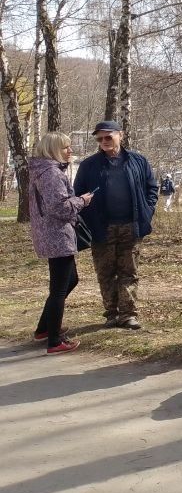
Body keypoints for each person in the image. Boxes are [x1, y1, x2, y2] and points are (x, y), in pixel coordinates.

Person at [73, 120, 158, 330]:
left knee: (129, 272)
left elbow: (152, 188)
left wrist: (148, 211)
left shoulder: (137, 161)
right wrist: (89, 219)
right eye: (100, 139)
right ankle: (111, 314)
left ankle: (128, 315)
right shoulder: (89, 165)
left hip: (132, 225)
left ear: (120, 135)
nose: (104, 142)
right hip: (102, 228)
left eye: (108, 137)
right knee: (106, 272)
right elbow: (78, 194)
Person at [28, 131, 92, 354]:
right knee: (59, 288)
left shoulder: (42, 171)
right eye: (66, 147)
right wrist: (82, 200)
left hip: (51, 234)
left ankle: (44, 328)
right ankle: (54, 341)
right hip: (56, 236)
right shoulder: (52, 173)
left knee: (70, 279)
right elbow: (60, 207)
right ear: (54, 149)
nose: (70, 150)